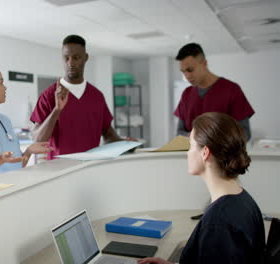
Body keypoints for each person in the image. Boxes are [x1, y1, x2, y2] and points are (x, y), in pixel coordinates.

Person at [138, 112, 265, 264]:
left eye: (191, 146)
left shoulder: (219, 222)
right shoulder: (244, 201)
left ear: (205, 153)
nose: (187, 153)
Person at [30, 34, 131, 160]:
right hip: (58, 170)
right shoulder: (49, 95)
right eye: (66, 58)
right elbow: (37, 139)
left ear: (85, 58)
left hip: (90, 167)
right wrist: (56, 110)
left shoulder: (97, 96)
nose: (70, 63)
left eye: (76, 58)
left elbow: (108, 134)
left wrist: (124, 144)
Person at [174, 43, 254, 140]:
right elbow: (179, 133)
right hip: (194, 154)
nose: (187, 76)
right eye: (183, 71)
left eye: (190, 70)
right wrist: (195, 137)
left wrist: (214, 140)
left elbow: (245, 133)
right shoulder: (186, 94)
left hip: (222, 154)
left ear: (204, 63)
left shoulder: (232, 90)